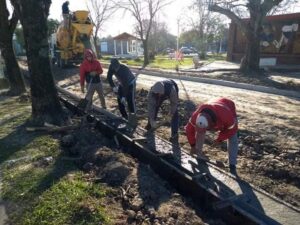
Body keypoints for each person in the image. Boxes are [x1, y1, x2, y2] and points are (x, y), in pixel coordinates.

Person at [185, 97, 239, 175]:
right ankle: (199, 153)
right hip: (213, 106)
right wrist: (193, 145)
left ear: (211, 124)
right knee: (200, 132)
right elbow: (189, 129)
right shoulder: (196, 115)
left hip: (228, 107)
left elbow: (232, 129)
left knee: (233, 138)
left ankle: (232, 165)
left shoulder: (226, 116)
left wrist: (219, 139)